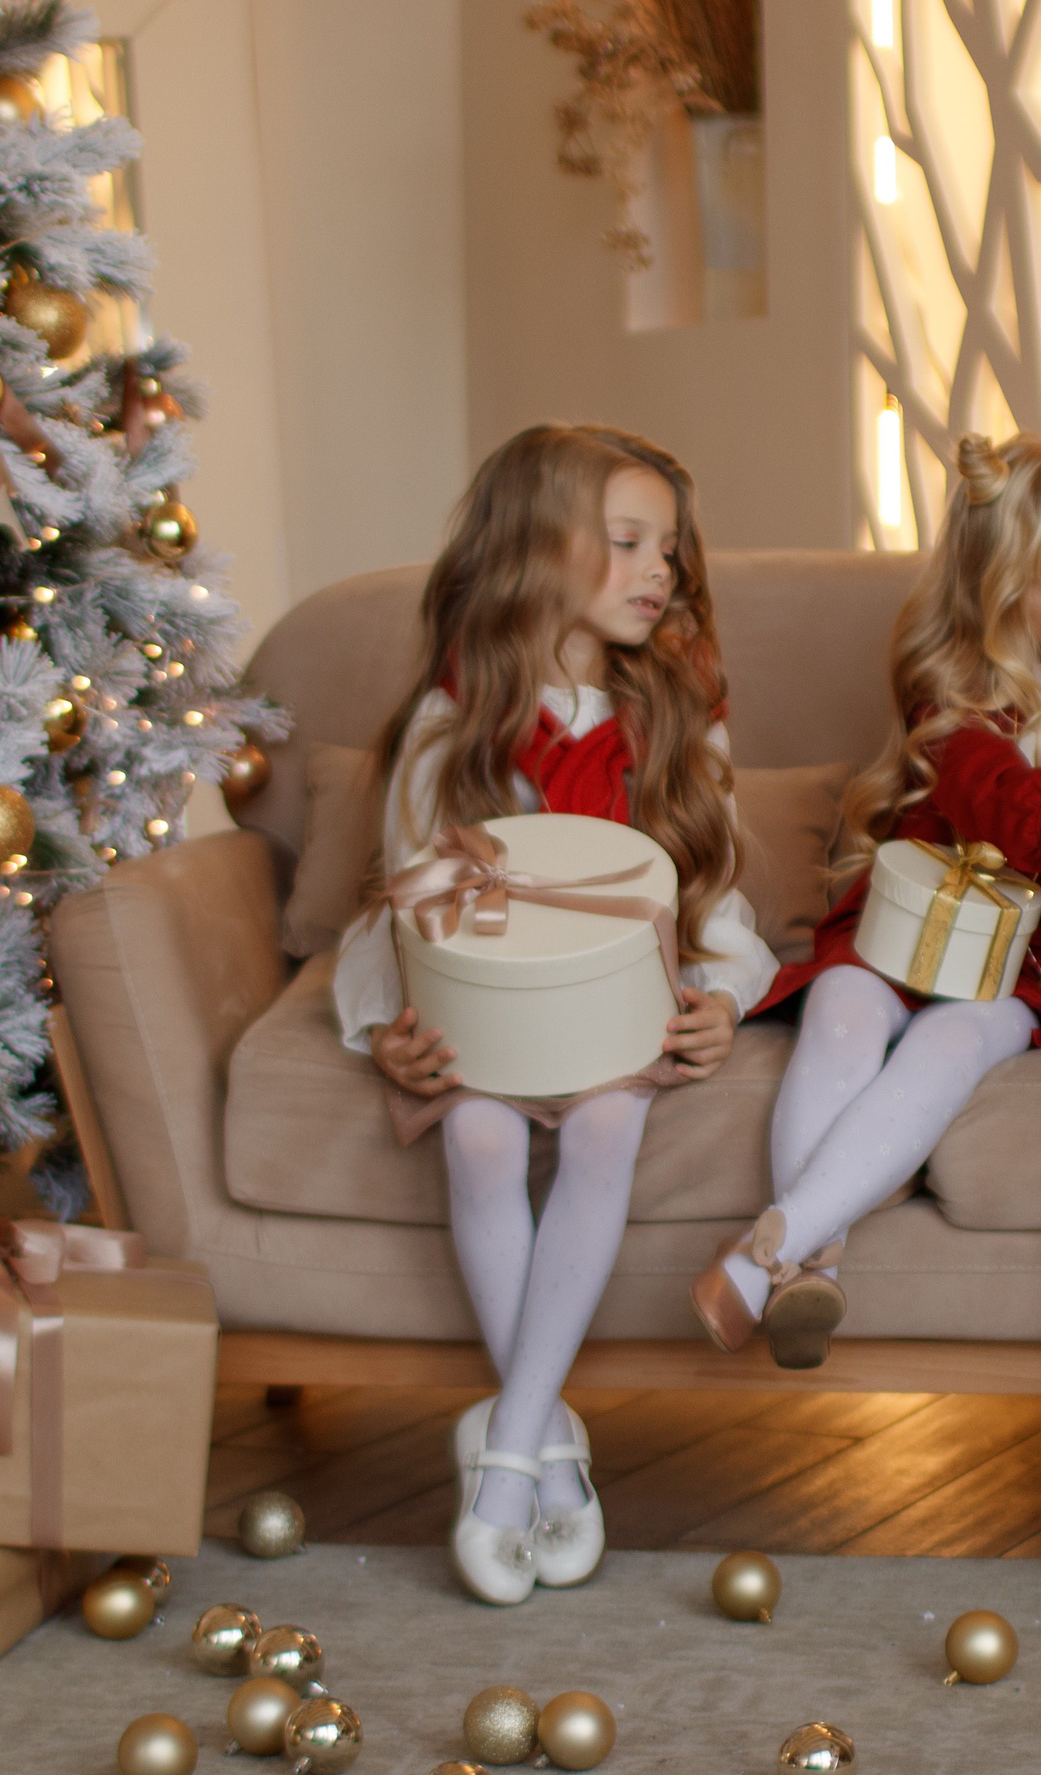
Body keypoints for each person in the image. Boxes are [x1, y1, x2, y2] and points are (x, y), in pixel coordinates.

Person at [332, 424, 777, 1604]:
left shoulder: (683, 712)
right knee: (476, 1134)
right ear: (535, 552)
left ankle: (506, 1457)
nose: (657, 573)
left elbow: (720, 906)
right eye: (625, 543)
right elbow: (404, 908)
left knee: (604, 1127)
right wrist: (391, 1030)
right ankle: (549, 1451)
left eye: (667, 551)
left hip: (615, 1011)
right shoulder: (453, 721)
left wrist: (722, 997)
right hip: (485, 1009)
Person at [691, 412, 1041, 1370]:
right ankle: (816, 1264)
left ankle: (771, 1248)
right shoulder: (953, 695)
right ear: (1003, 599)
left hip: (1026, 969)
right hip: (907, 926)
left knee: (949, 1040)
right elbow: (994, 792)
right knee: (846, 1009)